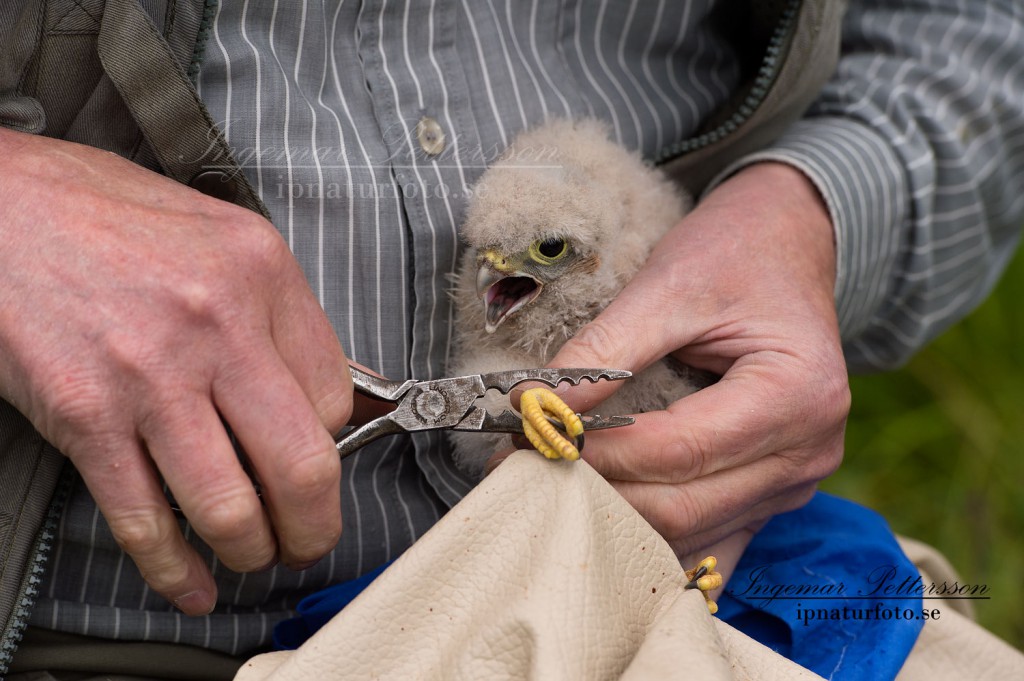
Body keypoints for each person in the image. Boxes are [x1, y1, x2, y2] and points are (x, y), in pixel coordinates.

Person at [1, 0, 1022, 676]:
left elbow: (969, 34)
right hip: (94, 640)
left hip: (692, 593)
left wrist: (819, 208)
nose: (498, 291)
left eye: (533, 261)